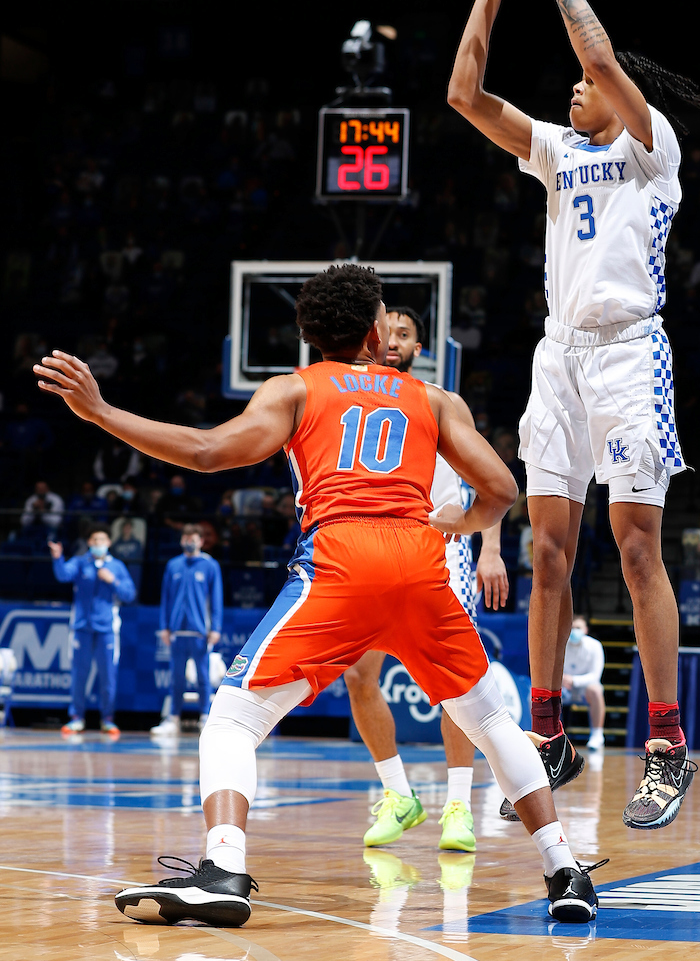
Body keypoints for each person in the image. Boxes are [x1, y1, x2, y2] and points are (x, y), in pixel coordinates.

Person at [35, 265, 602, 926]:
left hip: (340, 564)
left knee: (231, 721)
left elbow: (208, 451)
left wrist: (101, 411)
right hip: (422, 566)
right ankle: (564, 870)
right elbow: (502, 488)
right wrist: (462, 524)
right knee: (491, 723)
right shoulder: (434, 400)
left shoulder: (295, 390)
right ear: (372, 332)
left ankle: (222, 866)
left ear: (308, 338)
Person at [447, 0, 700, 831]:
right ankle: (548, 727)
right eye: (571, 84)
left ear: (621, 94)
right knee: (547, 553)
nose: (573, 85)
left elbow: (596, 51)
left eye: (586, 83)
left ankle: (668, 745)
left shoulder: (652, 148)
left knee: (637, 547)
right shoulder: (557, 150)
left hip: (630, 356)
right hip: (558, 358)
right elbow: (463, 97)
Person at [343, 307, 509, 854]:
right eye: (386, 331)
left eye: (404, 334)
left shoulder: (436, 401)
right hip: (377, 550)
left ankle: (458, 806)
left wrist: (491, 548)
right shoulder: (352, 394)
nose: (392, 340)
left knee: (455, 686)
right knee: (358, 676)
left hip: (444, 545)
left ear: (420, 348)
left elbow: (487, 481)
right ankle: (399, 796)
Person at [48, 523, 137, 735]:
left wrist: (112, 580)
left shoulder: (117, 567)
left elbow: (129, 594)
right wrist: (57, 558)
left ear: (109, 543)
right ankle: (77, 717)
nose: (98, 544)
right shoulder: (80, 563)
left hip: (106, 629)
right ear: (89, 543)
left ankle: (107, 718)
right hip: (82, 628)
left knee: (108, 675)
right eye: (95, 540)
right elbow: (63, 575)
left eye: (102, 540)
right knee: (80, 674)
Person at [151, 523, 223, 735]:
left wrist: (216, 627)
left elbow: (216, 599)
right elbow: (165, 598)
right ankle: (173, 718)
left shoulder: (210, 565)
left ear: (201, 541)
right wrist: (164, 627)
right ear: (181, 540)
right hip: (176, 631)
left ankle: (205, 716)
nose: (189, 541)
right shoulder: (173, 565)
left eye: (194, 538)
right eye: (186, 538)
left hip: (200, 631)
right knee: (176, 677)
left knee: (203, 676)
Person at [562, 615, 606, 752]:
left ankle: (597, 736)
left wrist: (574, 680)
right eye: (572, 628)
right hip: (564, 688)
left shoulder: (595, 646)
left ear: (585, 629)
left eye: (578, 628)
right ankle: (553, 735)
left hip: (584, 689)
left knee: (596, 690)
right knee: (547, 691)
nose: (575, 631)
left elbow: (595, 676)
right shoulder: (561, 644)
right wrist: (562, 679)